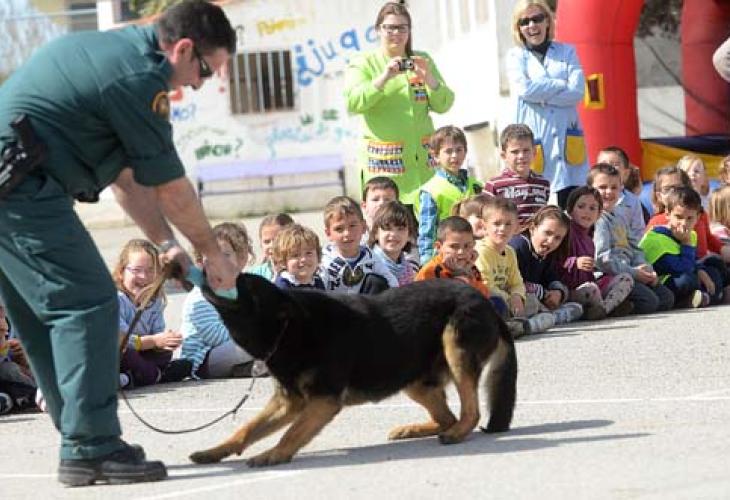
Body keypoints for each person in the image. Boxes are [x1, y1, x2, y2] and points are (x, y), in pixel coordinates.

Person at [0, 0, 239, 486]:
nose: (199, 84)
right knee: (90, 303)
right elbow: (171, 188)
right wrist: (213, 253)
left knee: (43, 316)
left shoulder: (112, 54)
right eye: (205, 70)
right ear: (183, 48)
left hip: (15, 185)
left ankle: (79, 437)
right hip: (22, 189)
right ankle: (92, 445)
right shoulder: (138, 78)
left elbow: (127, 179)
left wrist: (167, 245)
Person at [344, 1, 455, 206]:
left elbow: (444, 104)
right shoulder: (364, 62)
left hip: (423, 169)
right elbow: (353, 102)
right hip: (385, 171)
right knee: (389, 224)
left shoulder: (421, 60)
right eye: (390, 28)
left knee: (427, 222)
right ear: (378, 30)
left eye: (402, 28)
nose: (396, 33)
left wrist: (428, 77)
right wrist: (384, 77)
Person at [506, 0, 589, 208]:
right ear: (518, 28)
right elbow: (525, 90)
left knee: (573, 208)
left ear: (547, 21)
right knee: (538, 209)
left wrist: (540, 94)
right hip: (536, 141)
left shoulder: (567, 52)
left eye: (537, 19)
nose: (532, 25)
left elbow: (577, 92)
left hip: (567, 140)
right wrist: (559, 84)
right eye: (525, 21)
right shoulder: (515, 57)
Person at [589, 164, 675, 314]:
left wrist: (647, 270)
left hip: (631, 271)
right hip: (613, 276)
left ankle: (624, 305)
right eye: (602, 187)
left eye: (614, 187)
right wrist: (634, 273)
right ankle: (615, 306)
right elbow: (603, 260)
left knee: (666, 297)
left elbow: (635, 248)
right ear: (591, 189)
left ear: (621, 189)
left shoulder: (620, 216)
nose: (609, 192)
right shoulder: (599, 220)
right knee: (650, 301)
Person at [180, 222, 259, 380]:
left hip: (228, 351)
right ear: (201, 261)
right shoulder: (200, 295)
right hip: (202, 360)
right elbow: (214, 336)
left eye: (226, 255)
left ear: (240, 259)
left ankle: (249, 368)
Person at [114, 239, 190, 388]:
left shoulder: (154, 301)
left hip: (143, 352)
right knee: (129, 354)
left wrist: (166, 340)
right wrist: (155, 341)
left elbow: (157, 334)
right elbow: (123, 341)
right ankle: (151, 376)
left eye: (150, 270)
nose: (144, 276)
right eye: (136, 270)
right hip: (121, 353)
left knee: (165, 354)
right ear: (121, 272)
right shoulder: (116, 300)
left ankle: (139, 376)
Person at [474, 196, 554, 335]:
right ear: (484, 225)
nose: (502, 229)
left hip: (509, 301)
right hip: (489, 300)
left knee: (533, 302)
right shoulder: (481, 251)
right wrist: (510, 299)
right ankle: (515, 326)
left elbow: (516, 282)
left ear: (516, 227)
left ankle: (522, 325)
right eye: (496, 224)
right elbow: (486, 285)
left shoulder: (510, 251)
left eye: (508, 224)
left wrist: (517, 296)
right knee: (494, 302)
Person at [558, 186, 634, 319]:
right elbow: (554, 261)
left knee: (625, 278)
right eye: (581, 207)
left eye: (592, 208)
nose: (586, 212)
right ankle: (606, 308)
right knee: (591, 288)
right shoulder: (565, 232)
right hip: (569, 290)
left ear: (599, 214)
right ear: (570, 210)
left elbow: (589, 274)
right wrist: (575, 262)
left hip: (590, 285)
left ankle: (603, 309)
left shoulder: (589, 240)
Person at [639, 187, 720, 307]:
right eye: (679, 217)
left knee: (714, 266)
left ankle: (704, 297)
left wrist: (701, 271)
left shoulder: (691, 234)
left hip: (683, 271)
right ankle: (698, 299)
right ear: (668, 214)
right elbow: (681, 268)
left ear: (697, 217)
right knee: (687, 280)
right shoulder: (656, 240)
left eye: (690, 218)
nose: (684, 223)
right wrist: (686, 244)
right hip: (662, 283)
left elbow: (694, 261)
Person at [416, 126, 482, 264]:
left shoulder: (476, 185)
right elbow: (427, 233)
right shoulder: (431, 190)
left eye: (459, 150)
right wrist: (427, 263)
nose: (454, 156)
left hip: (474, 255)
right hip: (447, 258)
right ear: (436, 156)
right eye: (448, 151)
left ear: (465, 152)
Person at [509, 206, 584, 326]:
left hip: (540, 298)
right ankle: (533, 323)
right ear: (533, 228)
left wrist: (557, 292)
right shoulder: (518, 247)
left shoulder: (547, 253)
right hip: (515, 297)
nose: (551, 241)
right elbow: (514, 283)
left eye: (557, 238)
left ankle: (547, 317)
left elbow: (551, 276)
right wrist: (544, 294)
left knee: (577, 306)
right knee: (531, 302)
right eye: (547, 233)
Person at [320, 196, 399, 294]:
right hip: (334, 302)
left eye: (352, 226)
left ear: (363, 227)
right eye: (339, 229)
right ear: (328, 233)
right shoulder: (324, 260)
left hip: (363, 302)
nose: (347, 233)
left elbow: (390, 280)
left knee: (376, 282)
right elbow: (317, 288)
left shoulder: (370, 257)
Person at [415, 216, 499, 305]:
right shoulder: (430, 271)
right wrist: (458, 277)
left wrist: (467, 277)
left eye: (467, 246)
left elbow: (484, 296)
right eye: (454, 246)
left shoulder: (471, 268)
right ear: (439, 247)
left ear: (473, 245)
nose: (461, 252)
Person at [484, 124, 550, 230]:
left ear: (534, 152)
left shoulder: (543, 184)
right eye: (515, 152)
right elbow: (486, 217)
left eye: (526, 150)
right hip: (509, 237)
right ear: (504, 155)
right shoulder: (494, 185)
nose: (521, 156)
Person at [597, 146, 647, 241]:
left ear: (626, 173)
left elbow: (638, 232)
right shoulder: (590, 196)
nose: (609, 168)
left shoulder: (632, 201)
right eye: (603, 164)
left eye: (615, 164)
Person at [368, 201, 421, 287]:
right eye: (387, 228)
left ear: (409, 235)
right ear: (375, 233)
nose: (393, 234)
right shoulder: (369, 266)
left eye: (400, 229)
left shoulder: (407, 269)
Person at [272, 224, 326, 290]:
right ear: (283, 261)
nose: (303, 259)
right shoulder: (282, 286)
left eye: (308, 253)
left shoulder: (317, 282)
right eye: (295, 255)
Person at [247, 213, 294, 281]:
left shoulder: (302, 271)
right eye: (267, 242)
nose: (271, 246)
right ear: (261, 244)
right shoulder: (255, 274)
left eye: (277, 240)